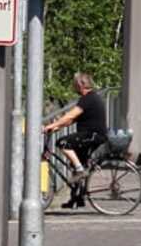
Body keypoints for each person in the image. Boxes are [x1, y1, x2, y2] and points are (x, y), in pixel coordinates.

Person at [43, 73, 108, 207]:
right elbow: (71, 120)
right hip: (92, 134)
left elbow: (70, 115)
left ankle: (80, 171)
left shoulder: (88, 99)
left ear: (80, 85)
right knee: (77, 163)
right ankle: (77, 198)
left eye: (75, 84)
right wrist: (56, 128)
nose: (74, 86)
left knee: (63, 143)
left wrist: (51, 125)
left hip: (92, 135)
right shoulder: (90, 98)